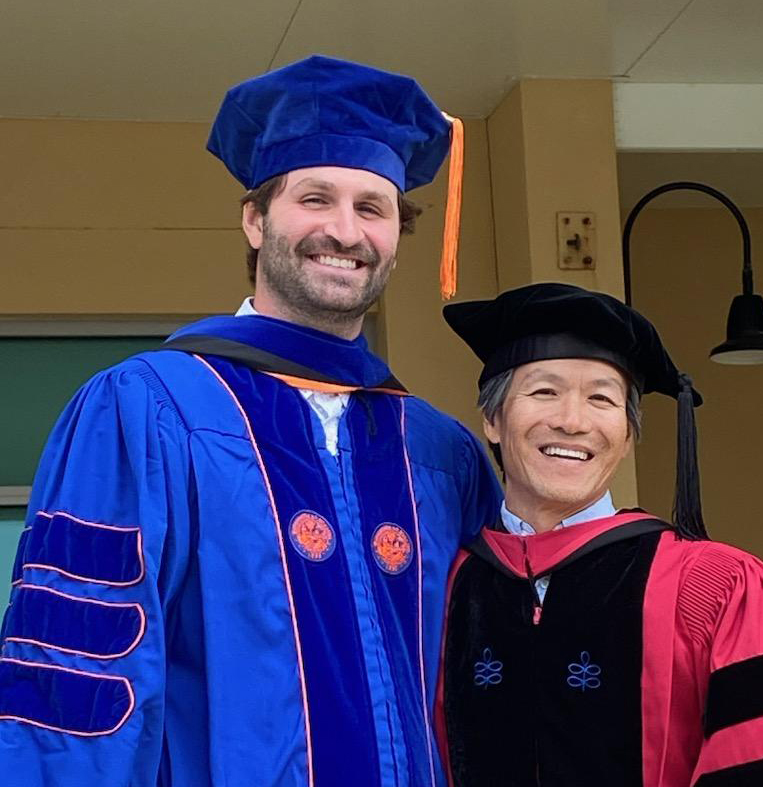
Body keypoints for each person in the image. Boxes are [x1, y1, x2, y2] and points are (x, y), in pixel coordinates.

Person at [0, 56, 500, 787]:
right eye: (315, 198)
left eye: (372, 207)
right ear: (255, 217)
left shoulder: (437, 450)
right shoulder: (148, 409)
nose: (344, 229)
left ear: (398, 231)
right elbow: (74, 678)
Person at [436, 282, 763, 786]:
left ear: (626, 437)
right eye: (544, 392)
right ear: (492, 420)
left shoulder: (717, 586)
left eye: (602, 399)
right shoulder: (452, 586)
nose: (572, 421)